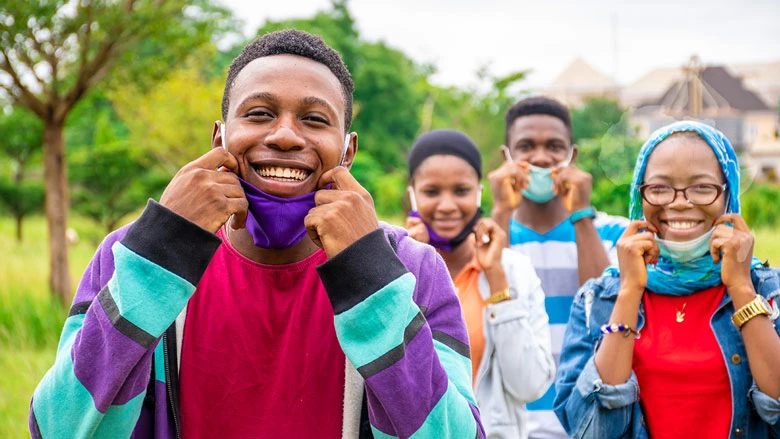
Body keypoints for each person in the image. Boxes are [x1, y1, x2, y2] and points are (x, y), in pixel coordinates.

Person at [29, 30, 485, 439]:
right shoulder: (132, 254)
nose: (285, 136)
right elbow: (57, 428)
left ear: (348, 150)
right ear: (219, 138)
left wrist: (368, 275)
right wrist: (162, 254)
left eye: (315, 120)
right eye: (260, 113)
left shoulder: (412, 270)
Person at [553, 121, 780, 438]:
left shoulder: (769, 292)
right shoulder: (599, 299)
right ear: (639, 193)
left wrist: (741, 288)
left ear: (727, 193)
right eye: (659, 188)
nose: (680, 202)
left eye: (702, 187)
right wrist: (630, 290)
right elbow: (589, 431)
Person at [487, 96, 628, 438]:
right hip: (510, 426)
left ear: (572, 156)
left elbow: (604, 311)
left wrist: (581, 215)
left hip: (589, 421)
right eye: (526, 147)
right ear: (506, 156)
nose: (540, 158)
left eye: (554, 146)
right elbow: (485, 293)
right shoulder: (487, 236)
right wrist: (500, 211)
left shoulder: (613, 234)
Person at [405, 129, 555, 438]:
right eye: (432, 192)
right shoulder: (394, 265)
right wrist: (409, 266)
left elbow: (530, 384)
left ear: (479, 192)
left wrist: (496, 278)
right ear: (412, 195)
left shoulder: (513, 270)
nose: (447, 205)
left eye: (461, 191)